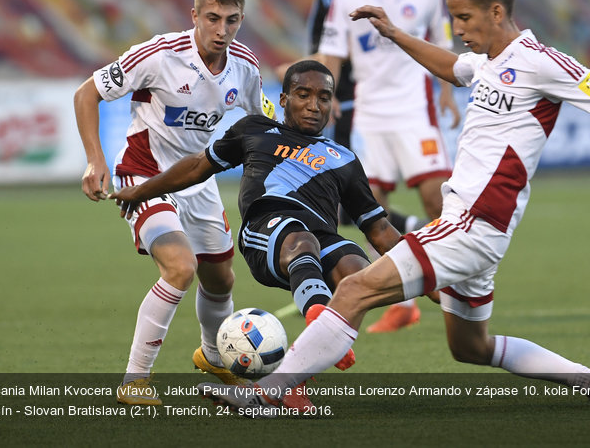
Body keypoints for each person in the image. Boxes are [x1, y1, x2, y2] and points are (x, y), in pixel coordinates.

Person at [196, 0, 590, 416]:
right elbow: (451, 66)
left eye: (464, 17)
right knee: (471, 348)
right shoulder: (487, 63)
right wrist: (393, 33)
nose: (459, 28)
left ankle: (267, 394)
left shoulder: (540, 63)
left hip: (473, 225)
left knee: (354, 292)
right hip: (475, 230)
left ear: (497, 11)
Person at [108, 60, 402, 384]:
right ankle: (322, 328)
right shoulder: (256, 130)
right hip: (267, 231)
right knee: (303, 242)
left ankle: (295, 380)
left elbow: (379, 229)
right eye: (303, 94)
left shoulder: (343, 157)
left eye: (323, 97)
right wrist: (142, 189)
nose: (313, 105)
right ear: (284, 99)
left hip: (318, 236)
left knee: (357, 270)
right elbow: (195, 168)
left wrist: (429, 267)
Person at [73, 0, 276, 406]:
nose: (222, 31)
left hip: (195, 180)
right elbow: (86, 93)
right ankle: (135, 381)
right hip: (144, 176)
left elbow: (264, 125)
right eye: (213, 18)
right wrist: (96, 160)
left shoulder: (245, 66)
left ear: (242, 18)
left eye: (233, 20)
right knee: (180, 268)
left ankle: (215, 357)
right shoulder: (160, 54)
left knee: (220, 278)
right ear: (195, 15)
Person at [317, 0, 461, 332]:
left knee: (440, 201)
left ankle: (451, 285)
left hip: (417, 112)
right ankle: (402, 299)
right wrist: (326, 96)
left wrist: (448, 94)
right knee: (370, 213)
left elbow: (443, 46)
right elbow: (331, 54)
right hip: (371, 117)